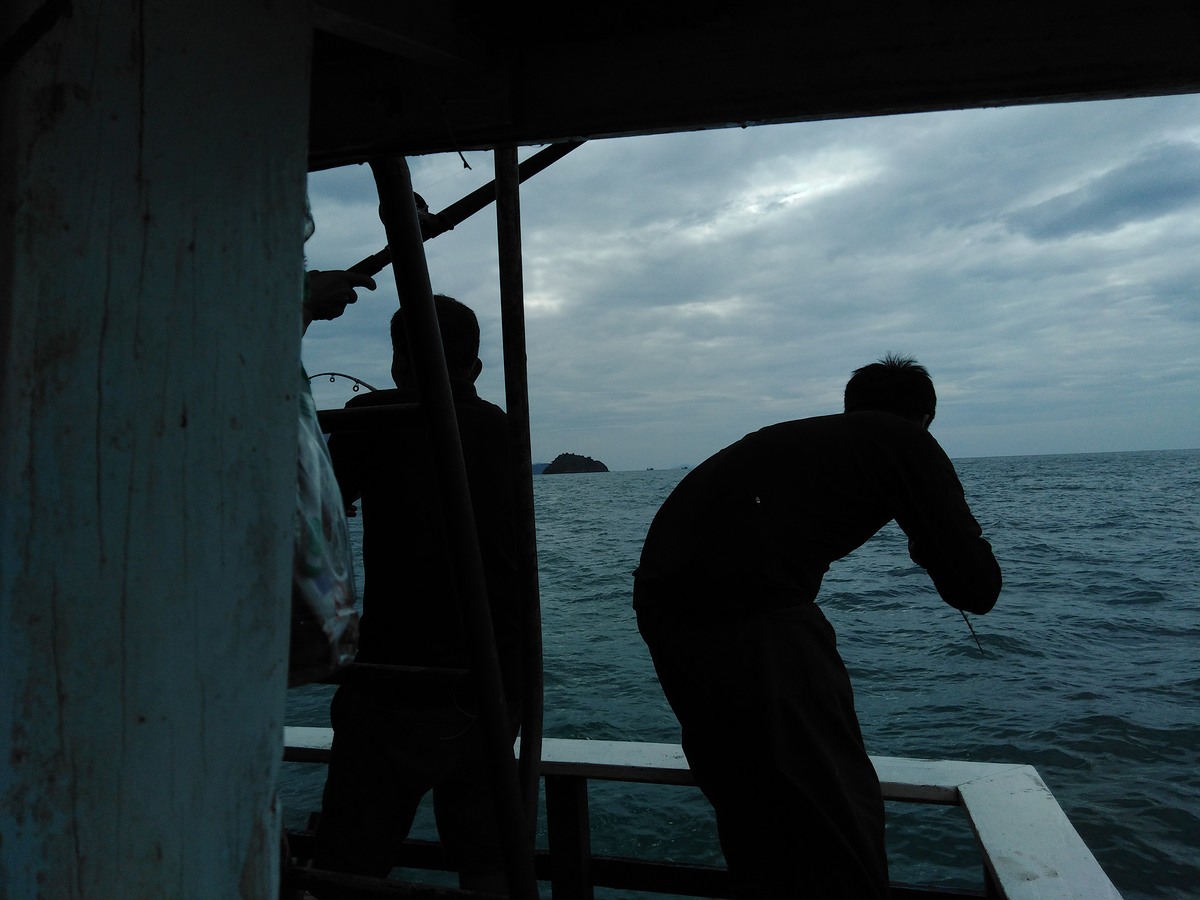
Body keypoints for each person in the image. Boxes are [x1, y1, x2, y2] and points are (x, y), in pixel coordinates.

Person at [632, 354, 1002, 899]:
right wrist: (928, 537)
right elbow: (976, 587)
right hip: (750, 618)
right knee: (836, 808)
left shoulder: (799, 439)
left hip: (667, 617)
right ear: (924, 417)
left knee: (753, 800)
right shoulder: (904, 438)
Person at [312, 295, 522, 894]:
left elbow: (321, 514)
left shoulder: (370, 417)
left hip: (391, 682)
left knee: (347, 866)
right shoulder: (502, 428)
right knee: (488, 863)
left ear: (400, 361)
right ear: (475, 368)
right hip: (490, 683)